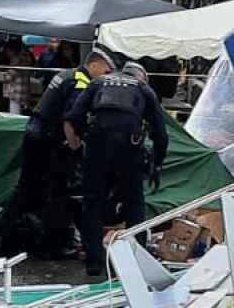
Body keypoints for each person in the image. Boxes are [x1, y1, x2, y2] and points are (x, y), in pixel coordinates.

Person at [2, 48, 113, 258]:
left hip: (36, 133)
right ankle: (52, 245)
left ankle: (7, 237)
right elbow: (70, 119)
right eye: (105, 72)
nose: (106, 77)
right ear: (94, 65)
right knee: (58, 192)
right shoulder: (81, 82)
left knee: (28, 188)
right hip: (49, 140)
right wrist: (76, 146)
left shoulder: (66, 74)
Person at [65, 59, 169, 277]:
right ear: (141, 76)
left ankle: (94, 262)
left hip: (97, 149)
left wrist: (84, 141)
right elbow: (160, 132)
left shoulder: (99, 82)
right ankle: (136, 259)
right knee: (134, 203)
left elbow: (74, 116)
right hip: (129, 150)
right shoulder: (143, 89)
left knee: (92, 203)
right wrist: (157, 163)